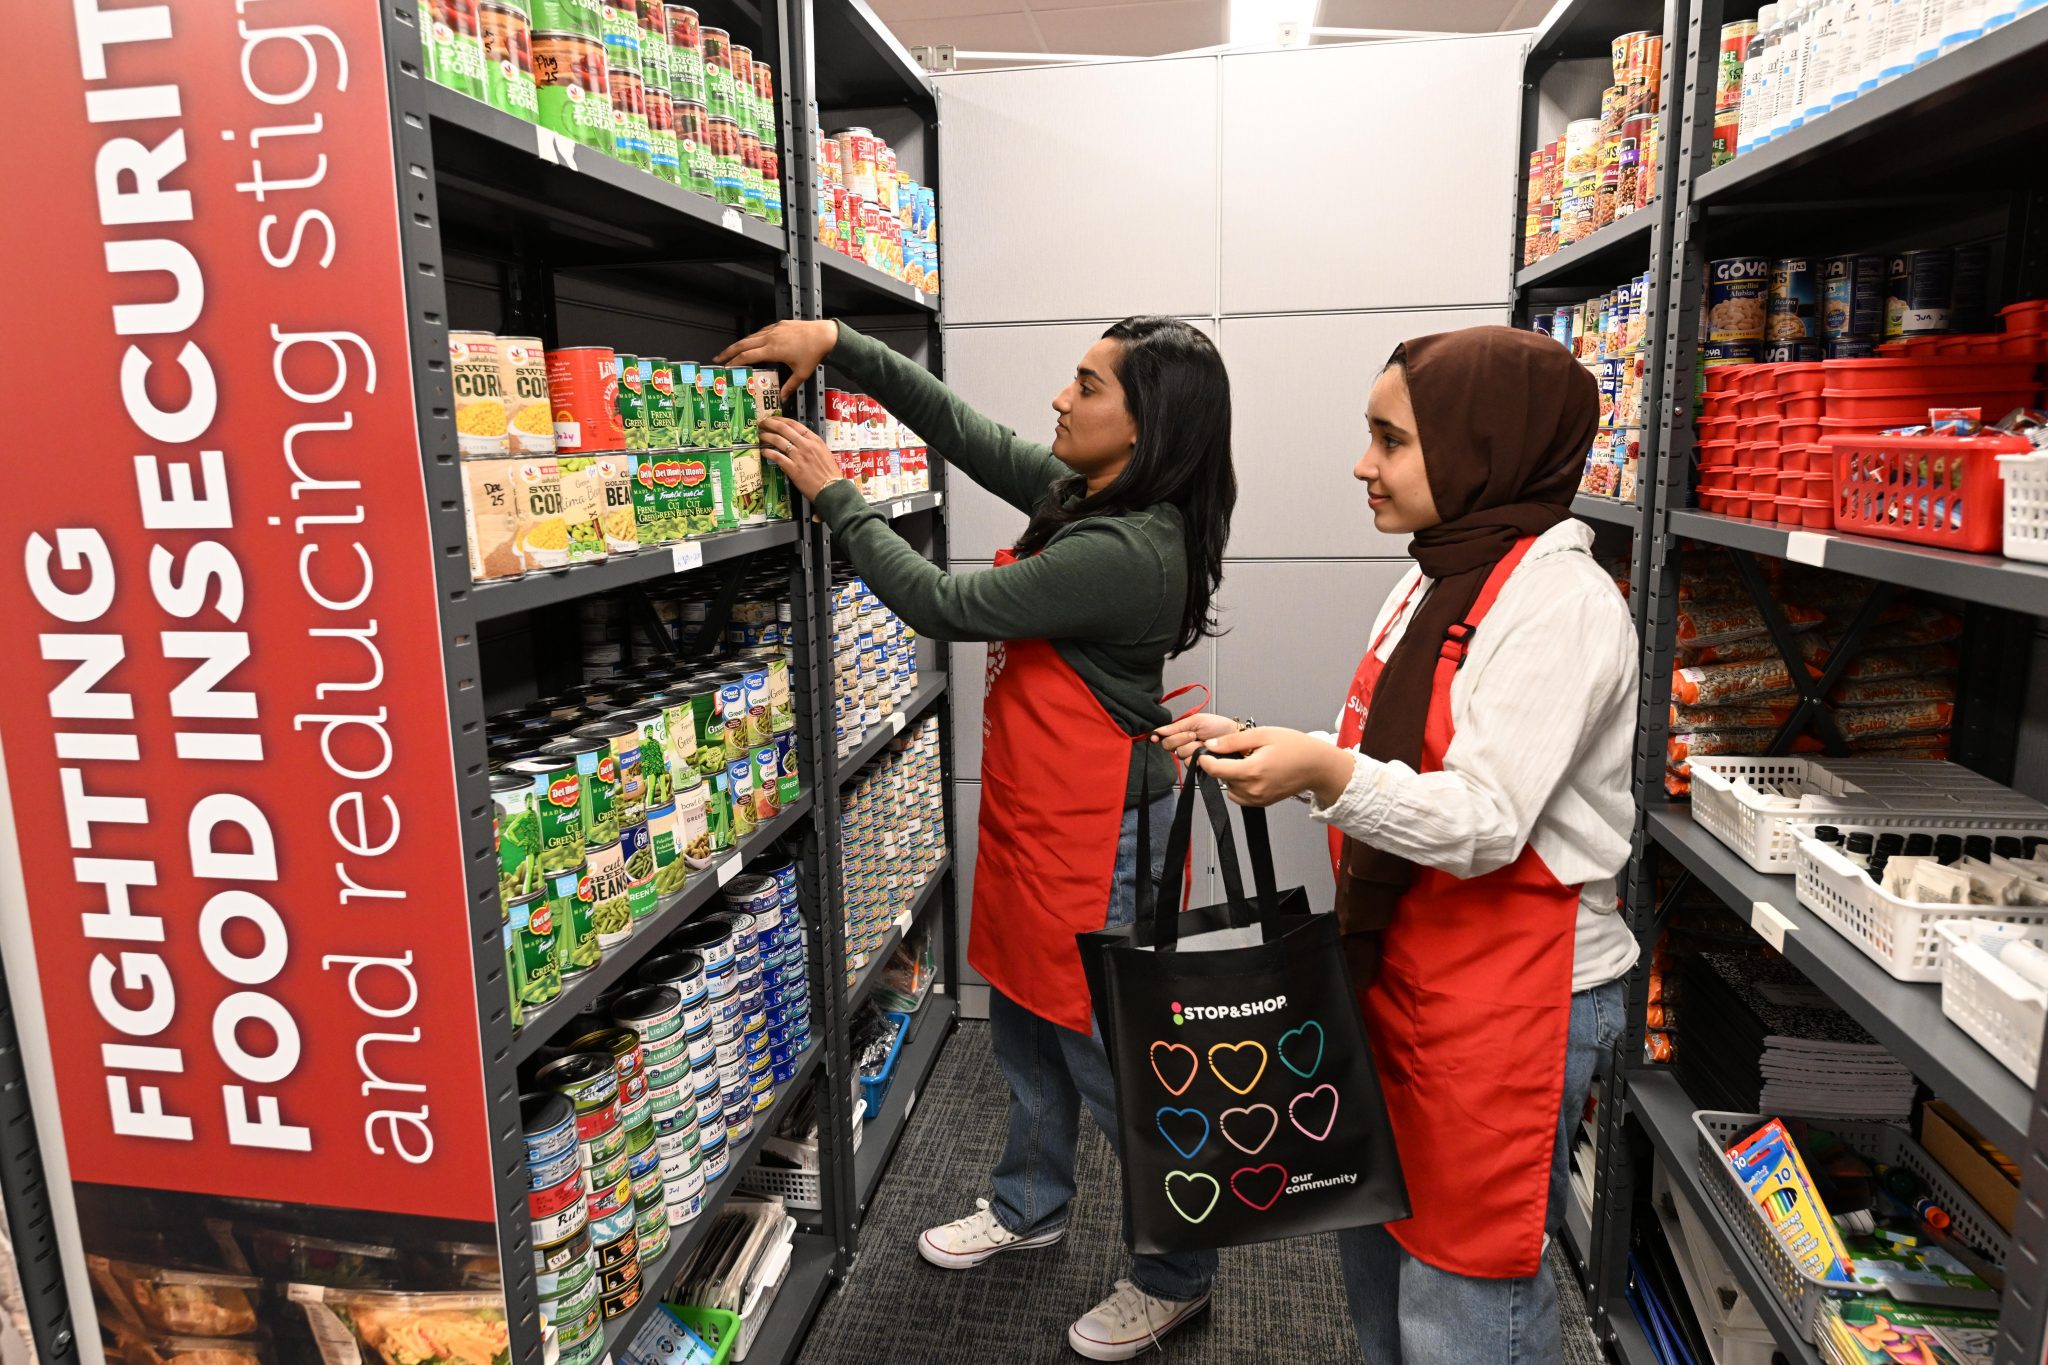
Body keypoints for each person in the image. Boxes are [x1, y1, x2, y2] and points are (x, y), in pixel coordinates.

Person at [716, 316, 1236, 1361]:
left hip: (1099, 839)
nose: (1058, 399)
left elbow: (939, 601)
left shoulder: (1125, 547)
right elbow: (962, 429)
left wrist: (834, 491)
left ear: (1143, 426)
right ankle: (1029, 1203)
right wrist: (842, 344)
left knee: (1114, 1069)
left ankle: (1177, 1273)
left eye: (1085, 386)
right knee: (1026, 1035)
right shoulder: (1090, 496)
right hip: (1040, 820)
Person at [1156, 326, 1639, 1364]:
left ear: (1480, 448)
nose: (1361, 465)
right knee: (1376, 1243)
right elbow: (1394, 752)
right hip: (1407, 963)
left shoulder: (1559, 604)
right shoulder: (1434, 574)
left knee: (1464, 1291)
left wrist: (1322, 776)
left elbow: (1483, 819)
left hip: (1515, 992)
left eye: (1389, 440)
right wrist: (1273, 745)